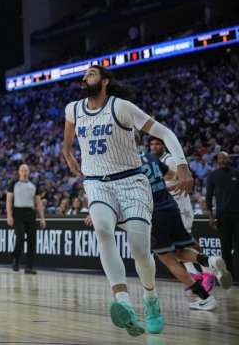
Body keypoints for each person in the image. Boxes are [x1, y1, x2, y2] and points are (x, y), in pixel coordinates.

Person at [62, 65, 193, 337]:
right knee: (102, 230)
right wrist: (67, 153)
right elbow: (68, 136)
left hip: (132, 182)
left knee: (141, 252)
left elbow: (165, 133)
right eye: (84, 74)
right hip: (97, 183)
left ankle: (151, 299)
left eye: (91, 74)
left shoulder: (121, 107)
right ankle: (123, 303)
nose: (85, 77)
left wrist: (182, 165)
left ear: (105, 81)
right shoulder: (73, 109)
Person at [130, 149, 231, 311]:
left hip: (154, 213)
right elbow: (171, 175)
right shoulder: (149, 156)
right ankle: (210, 261)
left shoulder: (125, 163)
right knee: (179, 252)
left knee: (168, 260)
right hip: (171, 207)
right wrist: (161, 188)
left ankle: (205, 298)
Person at [149, 137, 209, 290]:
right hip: (168, 203)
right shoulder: (153, 160)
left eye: (158, 144)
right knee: (179, 247)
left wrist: (157, 186)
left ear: (164, 146)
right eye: (152, 144)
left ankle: (208, 272)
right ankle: (195, 275)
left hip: (178, 203)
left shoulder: (169, 160)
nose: (154, 146)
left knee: (186, 242)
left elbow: (177, 179)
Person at [5, 164, 46, 274]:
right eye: (22, 170)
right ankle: (16, 259)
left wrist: (42, 218)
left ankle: (29, 267)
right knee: (20, 236)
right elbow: (8, 201)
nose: (24, 172)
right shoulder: (13, 184)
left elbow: (38, 202)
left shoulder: (33, 185)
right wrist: (9, 215)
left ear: (29, 172)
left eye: (26, 170)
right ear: (19, 172)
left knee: (32, 241)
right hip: (17, 213)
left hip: (30, 213)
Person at [205, 151, 239, 277]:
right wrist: (210, 216)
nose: (222, 159)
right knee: (225, 244)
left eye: (225, 157)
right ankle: (228, 274)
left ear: (228, 159)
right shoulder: (213, 176)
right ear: (217, 160)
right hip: (222, 214)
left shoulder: (236, 173)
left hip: (237, 213)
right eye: (220, 157)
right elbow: (208, 197)